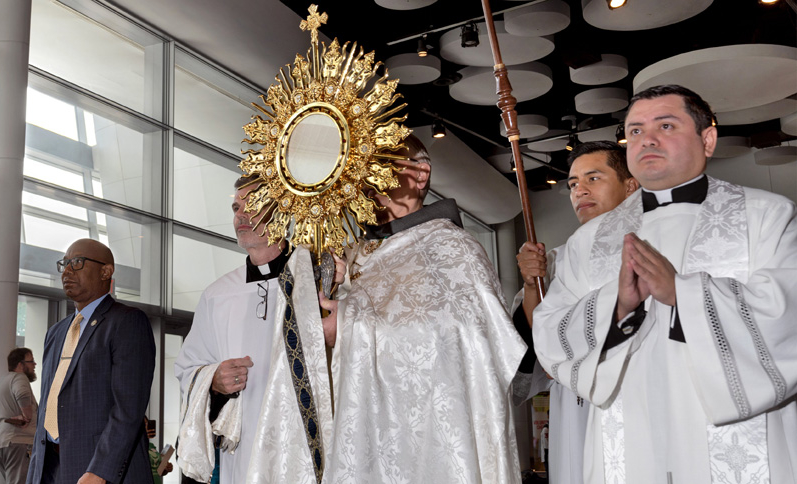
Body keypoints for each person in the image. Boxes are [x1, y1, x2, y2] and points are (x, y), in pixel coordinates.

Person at [533, 85, 797, 484]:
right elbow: (550, 330)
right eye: (634, 131)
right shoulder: (587, 241)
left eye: (666, 125)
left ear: (707, 138)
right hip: (628, 426)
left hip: (736, 431)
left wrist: (683, 295)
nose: (647, 139)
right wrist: (616, 307)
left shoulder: (767, 216)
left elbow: (788, 313)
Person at [319, 134, 528, 483]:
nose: (366, 181)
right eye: (359, 170)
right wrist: (326, 291)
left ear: (420, 174)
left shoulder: (454, 248)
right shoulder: (351, 253)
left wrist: (351, 323)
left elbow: (459, 348)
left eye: (379, 166)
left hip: (428, 438)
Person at [512, 141, 638, 483]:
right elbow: (538, 343)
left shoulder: (651, 241)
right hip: (575, 396)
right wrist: (531, 282)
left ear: (630, 185)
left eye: (593, 178)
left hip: (633, 388)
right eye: (572, 184)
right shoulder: (556, 259)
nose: (579, 190)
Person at [174, 175, 290, 483]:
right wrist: (212, 379)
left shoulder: (315, 279)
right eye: (236, 207)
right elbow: (187, 368)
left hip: (296, 439)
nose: (241, 215)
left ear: (283, 210)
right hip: (239, 446)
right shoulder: (218, 293)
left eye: (253, 205)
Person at [27, 238, 156, 484]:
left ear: (106, 271)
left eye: (76, 262)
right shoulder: (56, 332)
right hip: (51, 469)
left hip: (98, 472)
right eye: (64, 264)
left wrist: (100, 471)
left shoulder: (127, 322)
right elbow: (49, 403)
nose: (66, 271)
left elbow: (127, 410)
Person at [0, 347, 38, 484]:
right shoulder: (19, 377)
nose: (34, 364)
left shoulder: (0, 382)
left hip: (0, 444)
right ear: (20, 365)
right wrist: (27, 417)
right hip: (19, 441)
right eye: (31, 361)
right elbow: (22, 394)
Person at [144, 417, 173, 484]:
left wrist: (166, 468)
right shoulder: (132, 447)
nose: (146, 427)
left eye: (146, 424)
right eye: (143, 425)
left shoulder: (151, 446)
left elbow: (159, 472)